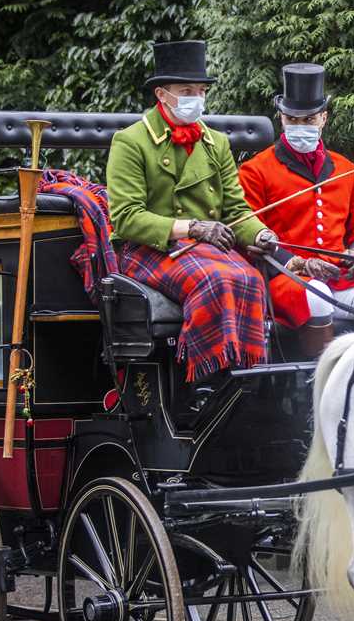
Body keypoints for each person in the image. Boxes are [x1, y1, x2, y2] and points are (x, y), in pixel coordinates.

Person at [106, 40, 277, 382]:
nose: (196, 99)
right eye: (186, 90)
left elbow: (235, 208)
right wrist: (192, 228)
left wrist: (260, 233)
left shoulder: (216, 143)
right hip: (149, 248)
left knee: (250, 277)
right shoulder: (131, 142)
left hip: (203, 247)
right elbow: (125, 217)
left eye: (200, 91)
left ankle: (246, 376)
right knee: (214, 279)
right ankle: (201, 377)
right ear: (161, 94)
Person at [238, 63, 354, 356]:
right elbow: (249, 233)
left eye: (309, 119)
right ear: (281, 119)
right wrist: (299, 264)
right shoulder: (256, 170)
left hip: (339, 275)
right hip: (285, 279)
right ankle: (317, 382)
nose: (300, 126)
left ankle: (352, 371)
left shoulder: (345, 169)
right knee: (318, 297)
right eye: (292, 119)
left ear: (323, 119)